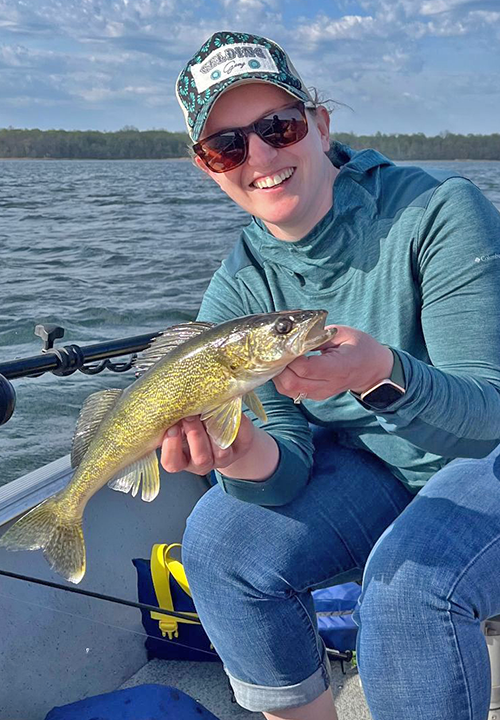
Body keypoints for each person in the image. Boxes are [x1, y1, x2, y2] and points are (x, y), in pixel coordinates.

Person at [162, 31, 500, 720]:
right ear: (208, 167)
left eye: (277, 127)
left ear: (319, 123)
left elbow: (489, 416)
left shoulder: (438, 213)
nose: (258, 157)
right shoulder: (237, 293)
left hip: (484, 455)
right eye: (227, 146)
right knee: (218, 541)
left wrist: (379, 372)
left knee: (406, 583)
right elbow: (283, 469)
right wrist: (240, 453)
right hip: (371, 471)